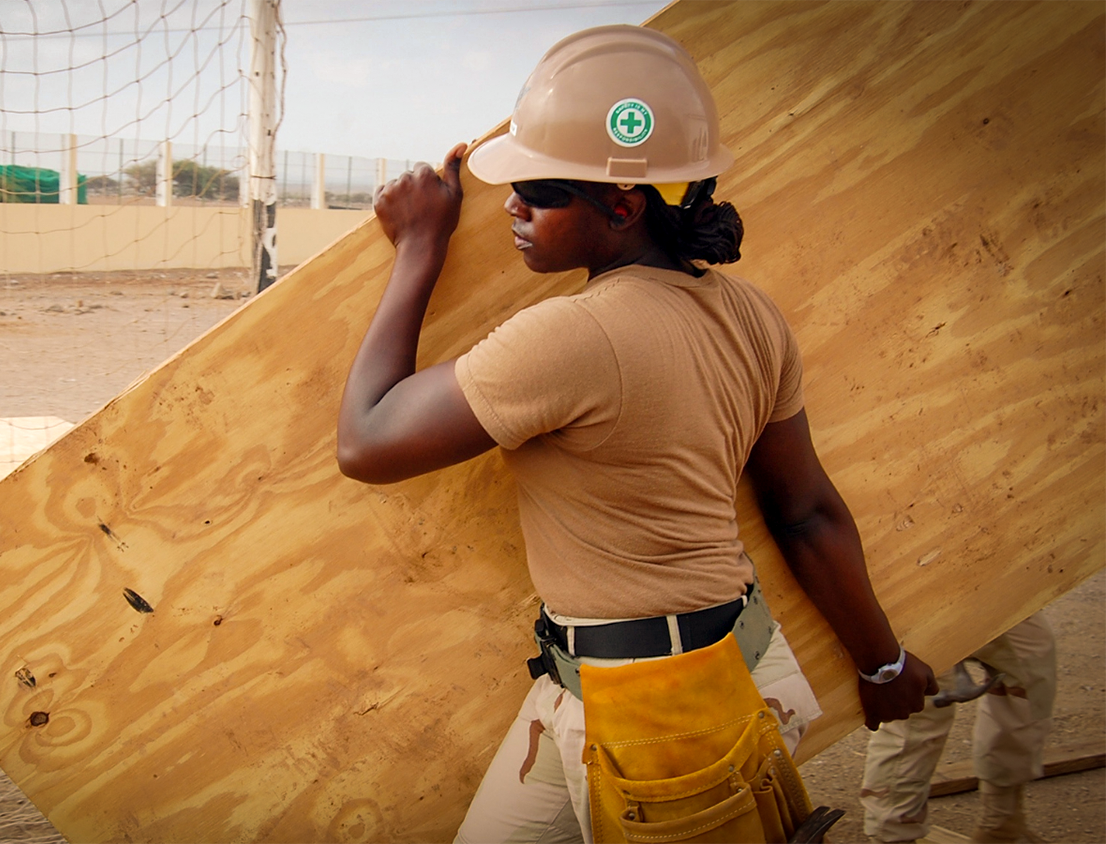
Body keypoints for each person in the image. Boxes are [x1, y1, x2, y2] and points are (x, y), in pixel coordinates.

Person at [337, 25, 937, 843]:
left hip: (662, 720)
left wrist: (418, 247)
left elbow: (367, 442)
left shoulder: (571, 339)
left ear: (621, 204)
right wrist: (883, 662)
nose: (512, 205)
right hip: (690, 675)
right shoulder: (752, 315)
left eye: (539, 190)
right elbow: (806, 512)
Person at [862, 614, 1056, 844]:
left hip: (991, 588)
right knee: (918, 715)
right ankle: (893, 836)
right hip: (919, 599)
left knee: (1030, 668)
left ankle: (1002, 826)